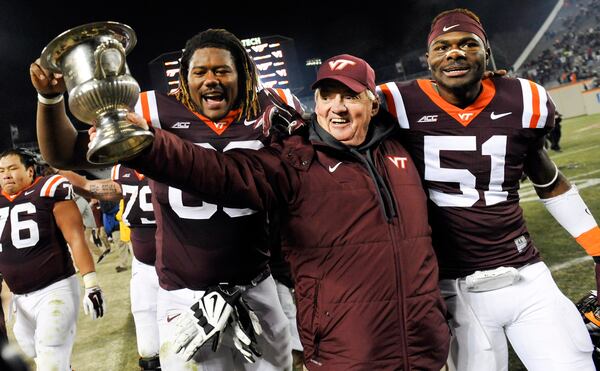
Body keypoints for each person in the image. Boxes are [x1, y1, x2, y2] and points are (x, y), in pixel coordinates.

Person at [115, 53, 450, 370]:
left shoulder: (403, 147)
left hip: (423, 344)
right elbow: (218, 172)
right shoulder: (295, 160)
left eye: (350, 96)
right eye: (327, 96)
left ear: (374, 102)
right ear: (314, 102)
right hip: (349, 350)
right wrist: (150, 144)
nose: (337, 108)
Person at [31, 29, 296, 370]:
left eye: (222, 70)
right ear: (184, 78)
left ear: (242, 74)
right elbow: (66, 152)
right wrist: (50, 101)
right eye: (199, 72)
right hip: (184, 290)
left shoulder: (271, 108)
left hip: (256, 283)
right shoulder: (152, 110)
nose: (211, 80)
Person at [376, 8, 599, 370]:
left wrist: (597, 246)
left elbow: (547, 179)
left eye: (468, 44)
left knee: (573, 363)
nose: (455, 53)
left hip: (525, 273)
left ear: (487, 53)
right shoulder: (394, 103)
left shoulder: (525, 99)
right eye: (442, 47)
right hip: (452, 283)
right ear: (428, 59)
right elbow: (334, 121)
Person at [0, 149, 106, 371]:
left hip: (55, 290)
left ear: (30, 171)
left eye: (12, 169)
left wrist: (92, 284)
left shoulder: (47, 189)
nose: (6, 175)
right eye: (1, 171)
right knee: (39, 355)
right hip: (20, 299)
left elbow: (76, 238)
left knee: (50, 358)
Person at [59, 167, 160, 370]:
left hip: (182, 266)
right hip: (144, 267)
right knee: (149, 353)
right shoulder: (122, 171)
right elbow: (88, 185)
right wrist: (57, 167)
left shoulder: (174, 156)